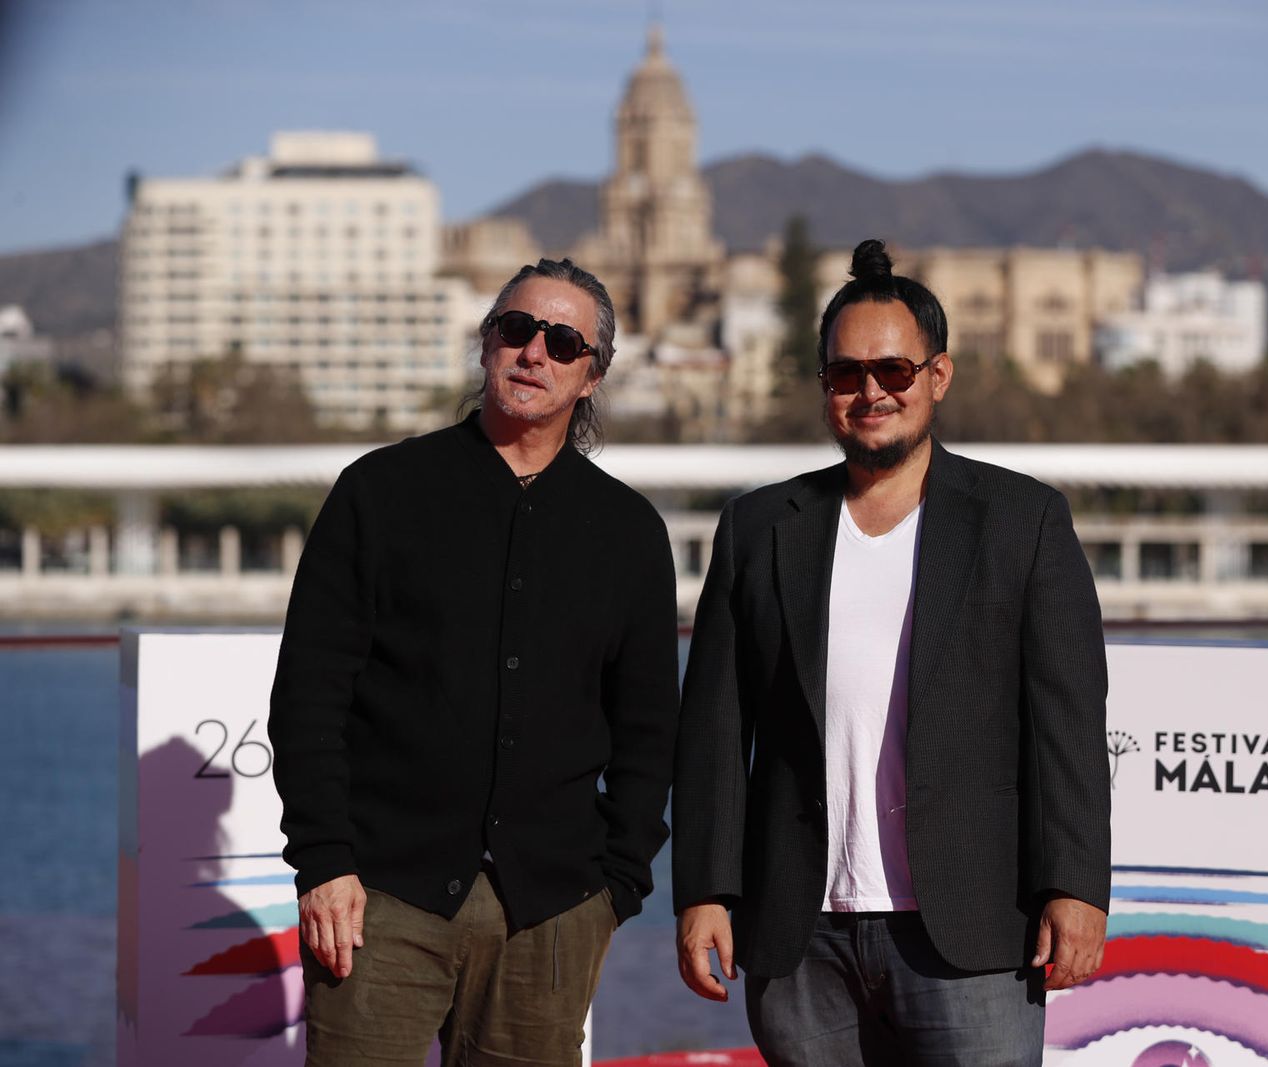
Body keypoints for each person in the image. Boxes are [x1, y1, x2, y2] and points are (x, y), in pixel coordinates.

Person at [672, 239, 1110, 1065]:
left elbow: (1069, 723)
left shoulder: (1022, 522)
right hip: (800, 937)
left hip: (972, 930)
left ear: (936, 377)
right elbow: (716, 731)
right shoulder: (759, 529)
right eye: (846, 374)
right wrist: (704, 892)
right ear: (825, 388)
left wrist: (1076, 886)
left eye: (894, 371)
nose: (870, 391)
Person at [268, 258, 680, 1066]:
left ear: (591, 376)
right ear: (486, 342)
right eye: (516, 329)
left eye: (563, 342)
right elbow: (310, 691)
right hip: (379, 898)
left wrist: (615, 887)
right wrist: (323, 861)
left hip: (553, 913)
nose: (535, 352)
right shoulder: (379, 492)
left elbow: (649, 728)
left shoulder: (628, 533)